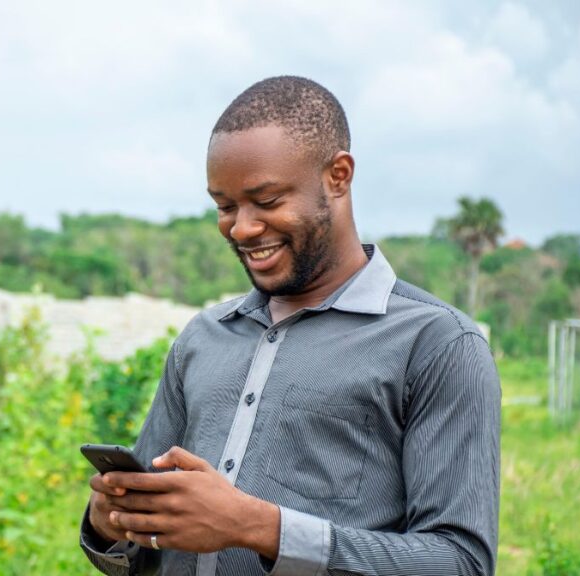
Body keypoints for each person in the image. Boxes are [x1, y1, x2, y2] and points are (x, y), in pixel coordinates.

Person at [80, 76, 501, 576]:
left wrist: (259, 528)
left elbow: (461, 563)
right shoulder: (202, 338)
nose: (241, 228)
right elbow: (148, 545)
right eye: (225, 205)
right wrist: (110, 524)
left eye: (268, 200)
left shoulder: (437, 346)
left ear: (338, 176)